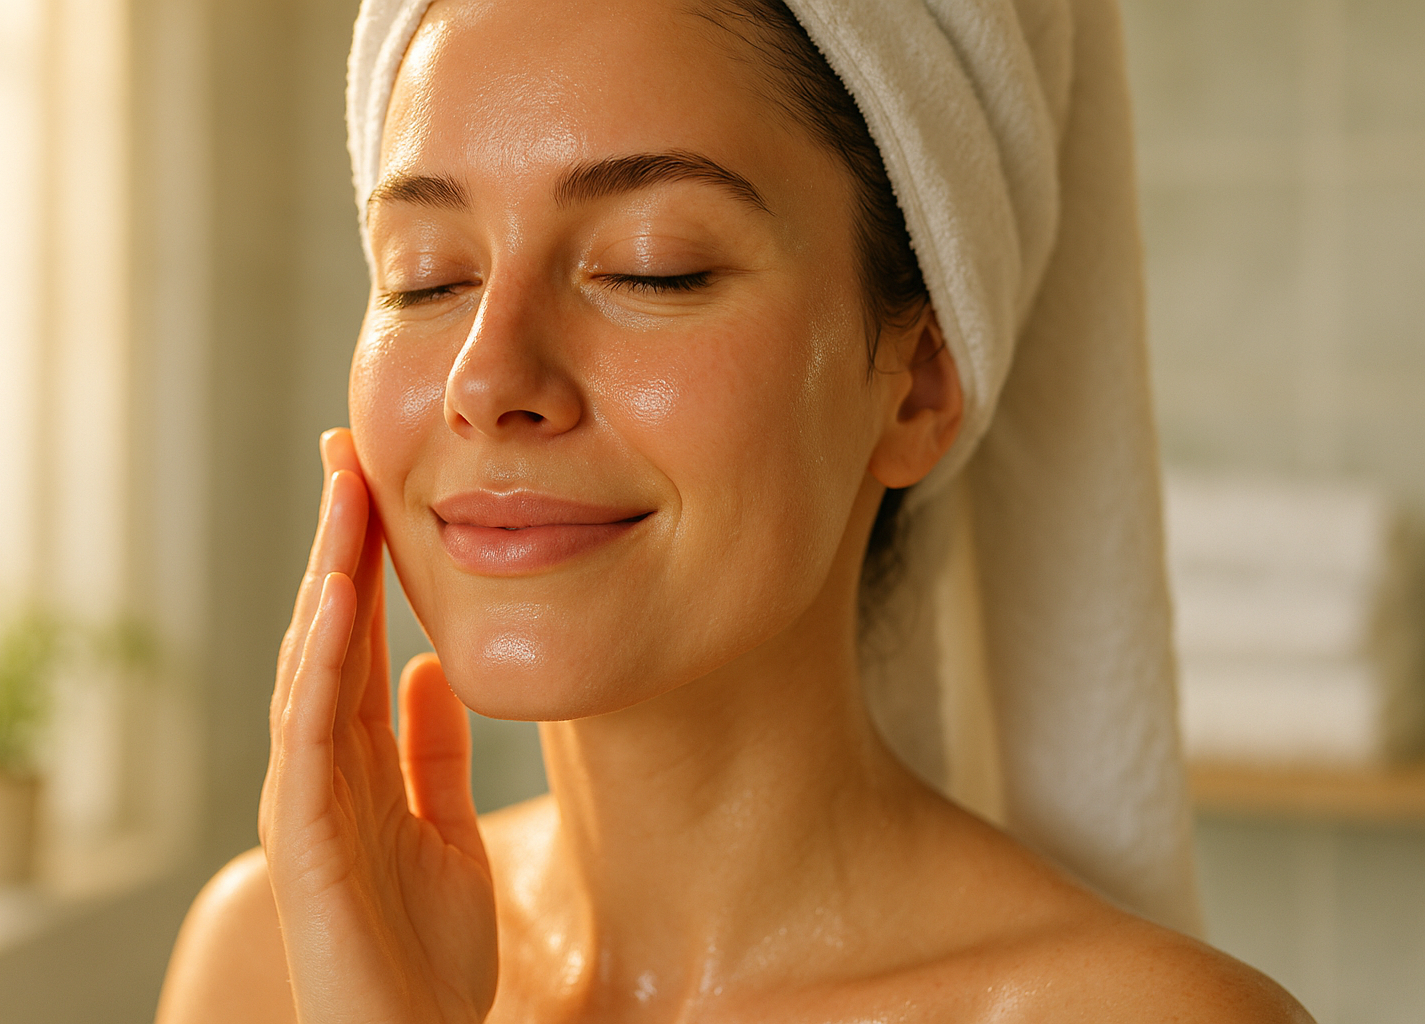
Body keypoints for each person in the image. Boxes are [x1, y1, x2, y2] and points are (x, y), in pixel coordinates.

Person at [156, 0, 1313, 1020]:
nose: (487, 378)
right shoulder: (277, 957)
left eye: (653, 267)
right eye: (425, 277)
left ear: (915, 381)